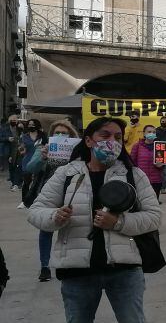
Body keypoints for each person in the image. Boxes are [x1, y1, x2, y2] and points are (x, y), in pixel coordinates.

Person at [28, 116, 161, 322]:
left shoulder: (133, 175)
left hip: (123, 270)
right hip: (77, 271)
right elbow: (36, 211)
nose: (112, 141)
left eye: (118, 137)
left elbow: (154, 216)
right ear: (89, 140)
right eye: (105, 135)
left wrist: (118, 223)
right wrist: (55, 216)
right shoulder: (67, 174)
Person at [25, 119, 80, 282]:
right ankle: (45, 266)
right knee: (46, 228)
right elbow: (29, 168)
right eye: (57, 133)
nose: (61, 135)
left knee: (74, 228)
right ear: (52, 135)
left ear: (71, 135)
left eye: (64, 133)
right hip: (48, 193)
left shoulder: (77, 150)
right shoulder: (43, 149)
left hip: (71, 193)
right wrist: (42, 157)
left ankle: (72, 263)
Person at [128, 125, 164, 197]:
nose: (152, 133)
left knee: (154, 203)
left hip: (156, 181)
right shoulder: (137, 146)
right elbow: (131, 163)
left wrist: (161, 165)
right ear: (144, 133)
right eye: (149, 132)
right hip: (141, 180)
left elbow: (164, 163)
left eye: (154, 132)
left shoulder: (160, 146)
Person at [19, 119, 45, 204]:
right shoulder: (24, 136)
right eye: (29, 124)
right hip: (27, 161)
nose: (31, 126)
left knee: (37, 181)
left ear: (37, 125)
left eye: (33, 124)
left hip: (39, 161)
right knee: (26, 182)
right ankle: (24, 201)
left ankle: (35, 200)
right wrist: (22, 150)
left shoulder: (42, 136)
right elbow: (21, 148)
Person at [155, 117, 166, 195]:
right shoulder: (155, 130)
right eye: (162, 121)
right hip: (157, 154)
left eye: (165, 121)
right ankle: (156, 188)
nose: (164, 122)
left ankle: (163, 188)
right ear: (160, 122)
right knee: (157, 172)